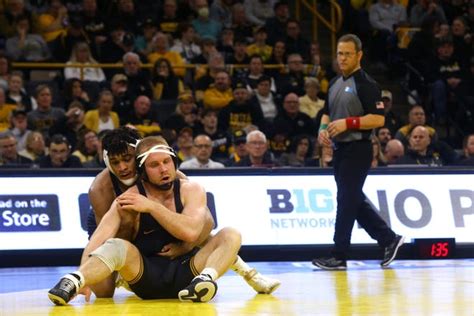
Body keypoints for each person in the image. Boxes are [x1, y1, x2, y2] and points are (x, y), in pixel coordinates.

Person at [47, 135, 273, 306]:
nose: (164, 169)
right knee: (114, 246)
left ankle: (205, 281)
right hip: (146, 273)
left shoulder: (189, 186)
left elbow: (199, 230)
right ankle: (73, 281)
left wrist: (153, 209)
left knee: (230, 234)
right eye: (155, 165)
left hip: (188, 271)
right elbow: (98, 240)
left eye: (167, 162)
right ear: (143, 170)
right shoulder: (105, 189)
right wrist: (83, 274)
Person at [312, 34, 404, 270]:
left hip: (359, 148)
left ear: (359, 55)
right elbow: (326, 112)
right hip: (340, 148)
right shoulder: (333, 83)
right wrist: (323, 129)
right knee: (352, 199)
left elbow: (378, 119)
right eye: (339, 53)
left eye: (347, 54)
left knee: (346, 199)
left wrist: (347, 123)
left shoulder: (367, 84)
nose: (342, 58)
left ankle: (339, 255)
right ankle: (388, 239)